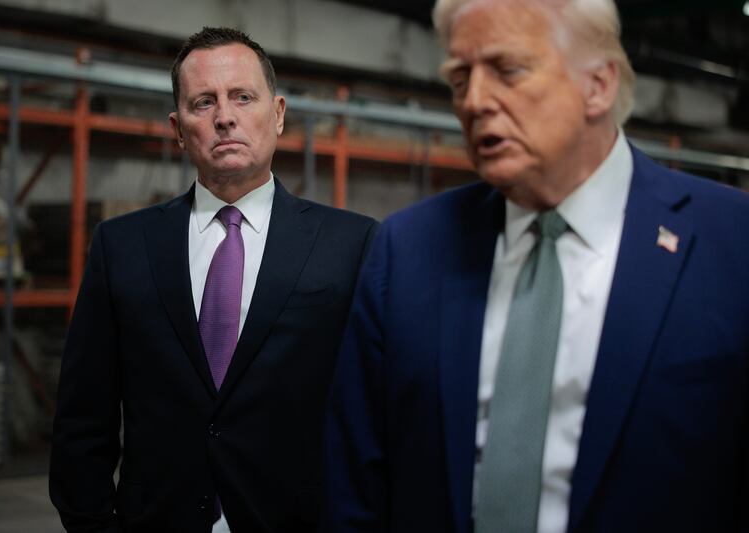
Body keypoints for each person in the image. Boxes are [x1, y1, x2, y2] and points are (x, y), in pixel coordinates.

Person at [324, 1, 749, 532]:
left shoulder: (731, 243)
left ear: (599, 85)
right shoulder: (407, 250)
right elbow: (354, 489)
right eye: (460, 79)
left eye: (508, 70)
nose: (475, 101)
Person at [50, 27, 377, 533]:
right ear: (178, 129)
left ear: (279, 114)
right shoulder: (122, 247)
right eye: (204, 102)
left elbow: (380, 412)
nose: (224, 116)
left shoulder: (353, 245)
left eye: (242, 97)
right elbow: (82, 420)